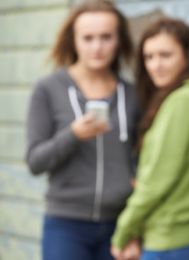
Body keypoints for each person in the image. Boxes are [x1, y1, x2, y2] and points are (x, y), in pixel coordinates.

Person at [25, 1, 139, 259]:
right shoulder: (48, 89)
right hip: (66, 225)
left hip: (119, 224)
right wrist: (73, 134)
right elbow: (35, 161)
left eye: (106, 37)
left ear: (118, 40)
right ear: (73, 40)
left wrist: (135, 226)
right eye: (87, 38)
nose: (97, 47)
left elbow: (142, 160)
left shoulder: (131, 94)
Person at [110, 18, 189, 260]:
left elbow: (157, 180)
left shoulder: (182, 102)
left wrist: (123, 231)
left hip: (173, 239)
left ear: (187, 55)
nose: (156, 65)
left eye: (165, 55)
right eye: (149, 57)